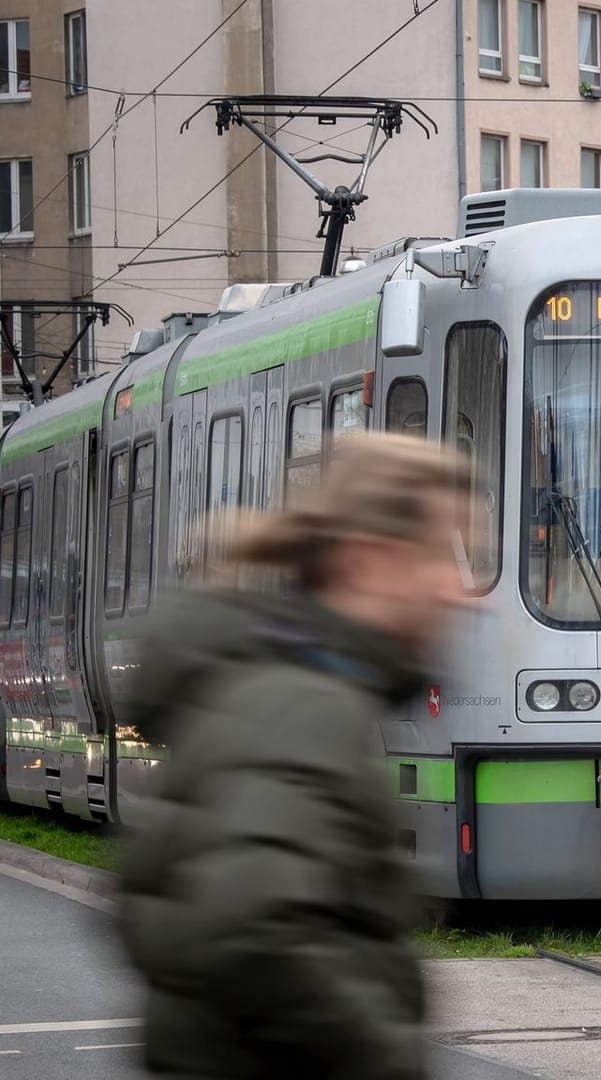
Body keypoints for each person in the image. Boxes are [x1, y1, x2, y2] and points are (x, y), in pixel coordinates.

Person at [117, 433, 473, 1080]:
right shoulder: (304, 709)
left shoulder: (288, 688)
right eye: (441, 557)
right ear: (367, 563)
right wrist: (385, 1057)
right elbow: (251, 926)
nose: (460, 589)